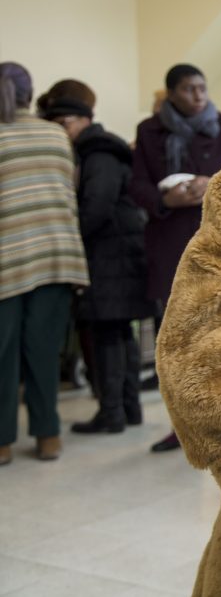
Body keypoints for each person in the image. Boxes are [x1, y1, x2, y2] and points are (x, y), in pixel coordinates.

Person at [129, 64, 221, 451]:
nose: (198, 96)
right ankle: (183, 428)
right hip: (169, 245)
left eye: (202, 88)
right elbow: (137, 184)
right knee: (175, 344)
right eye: (189, 89)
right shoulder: (149, 131)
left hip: (216, 242)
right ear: (172, 93)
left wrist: (213, 184)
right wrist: (164, 199)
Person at [37, 80, 153, 434]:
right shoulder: (102, 149)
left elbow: (96, 207)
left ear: (82, 120)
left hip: (109, 254)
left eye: (64, 125)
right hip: (122, 252)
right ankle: (129, 410)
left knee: (106, 333)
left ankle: (112, 413)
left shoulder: (97, 153)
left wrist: (73, 240)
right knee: (120, 334)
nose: (61, 132)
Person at [0, 63, 90, 464]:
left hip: (7, 260)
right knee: (43, 351)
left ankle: (2, 443)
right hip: (56, 256)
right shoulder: (56, 134)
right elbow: (67, 190)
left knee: (4, 357)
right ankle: (48, 436)